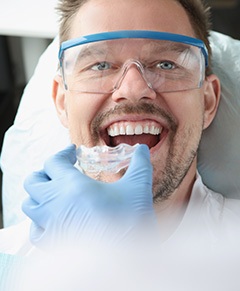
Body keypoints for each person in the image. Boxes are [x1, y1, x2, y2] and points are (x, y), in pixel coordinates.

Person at [1, 0, 240, 289]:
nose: (133, 89)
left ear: (208, 101)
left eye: (166, 64)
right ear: (62, 103)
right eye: (100, 65)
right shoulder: (9, 260)